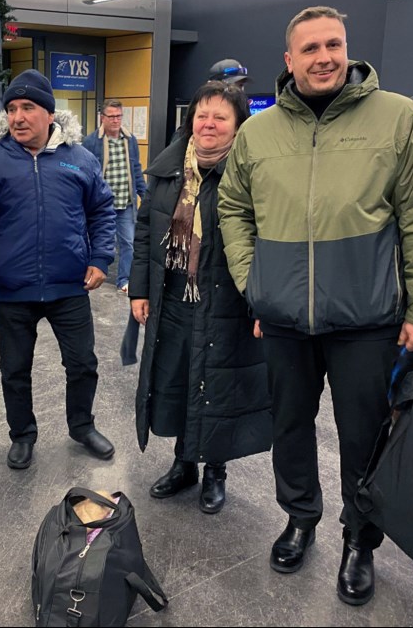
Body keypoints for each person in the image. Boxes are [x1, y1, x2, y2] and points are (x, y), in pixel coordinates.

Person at [217, 6, 413, 606]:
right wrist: (255, 282)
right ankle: (300, 519)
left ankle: (360, 540)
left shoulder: (396, 119)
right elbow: (234, 210)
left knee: (363, 437)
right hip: (286, 317)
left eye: (334, 44)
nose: (325, 57)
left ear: (348, 50)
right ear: (289, 61)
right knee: (290, 426)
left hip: (367, 319)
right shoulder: (257, 134)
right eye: (311, 48)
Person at [130, 81, 271, 515]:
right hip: (173, 300)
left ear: (238, 125)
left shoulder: (249, 175)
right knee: (177, 382)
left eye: (221, 117)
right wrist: (139, 289)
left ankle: (215, 471)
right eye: (202, 115)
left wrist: (262, 302)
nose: (209, 124)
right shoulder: (168, 170)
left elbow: (267, 241)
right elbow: (145, 232)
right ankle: (183, 463)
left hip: (226, 304)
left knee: (216, 385)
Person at [0, 69, 117, 470]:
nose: (17, 117)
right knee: (14, 370)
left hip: (69, 286)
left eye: (27, 108)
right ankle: (22, 435)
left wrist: (100, 258)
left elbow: (102, 211)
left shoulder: (80, 159)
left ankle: (82, 425)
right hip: (13, 288)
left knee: (82, 364)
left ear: (49, 114)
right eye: (10, 109)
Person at [83, 99, 147, 293]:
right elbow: (86, 172)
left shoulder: (130, 140)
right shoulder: (91, 141)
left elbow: (136, 169)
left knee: (128, 242)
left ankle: (124, 280)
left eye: (118, 116)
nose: (115, 120)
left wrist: (144, 194)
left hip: (125, 202)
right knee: (96, 241)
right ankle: (89, 273)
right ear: (102, 118)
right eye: (111, 116)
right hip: (103, 205)